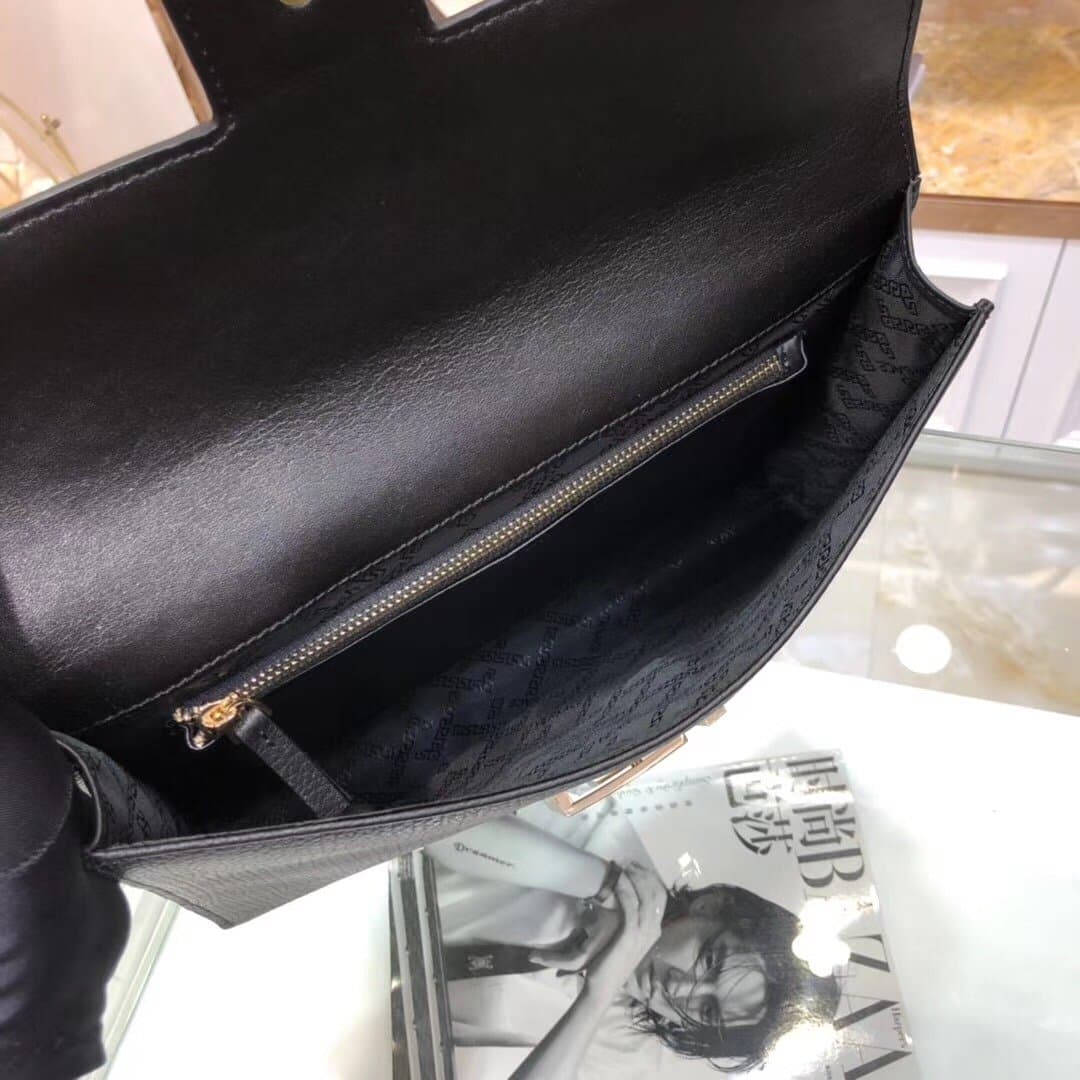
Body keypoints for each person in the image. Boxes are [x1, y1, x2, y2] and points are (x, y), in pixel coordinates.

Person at [427, 805, 839, 1078]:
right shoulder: (608, 833)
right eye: (709, 961)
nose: (680, 988)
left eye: (708, 1009)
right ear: (712, 906)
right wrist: (600, 882)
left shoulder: (624, 1062)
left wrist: (597, 996)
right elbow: (425, 825)